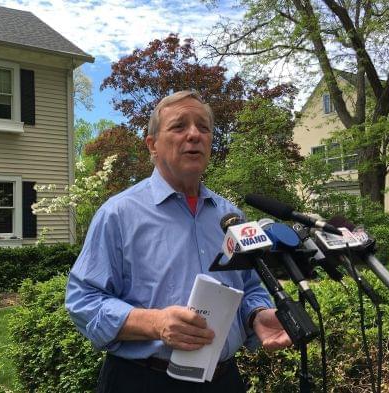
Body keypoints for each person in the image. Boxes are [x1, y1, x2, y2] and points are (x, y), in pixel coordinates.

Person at [66, 90, 292, 393]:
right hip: (143, 380)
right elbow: (83, 301)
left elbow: (250, 286)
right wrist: (155, 323)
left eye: (204, 127)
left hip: (224, 380)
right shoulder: (118, 214)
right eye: (179, 126)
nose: (194, 135)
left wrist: (256, 315)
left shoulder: (231, 216)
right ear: (152, 145)